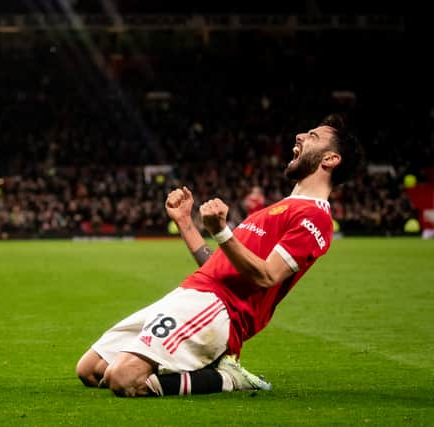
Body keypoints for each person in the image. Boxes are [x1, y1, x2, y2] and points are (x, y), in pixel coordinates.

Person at [75, 113, 362, 397]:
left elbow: (268, 276)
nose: (300, 136)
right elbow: (220, 265)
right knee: (89, 369)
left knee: (123, 378)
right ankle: (193, 363)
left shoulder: (315, 216)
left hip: (222, 308)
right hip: (192, 292)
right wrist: (186, 224)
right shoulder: (280, 207)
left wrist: (223, 232)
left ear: (331, 159)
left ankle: (226, 378)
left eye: (312, 136)